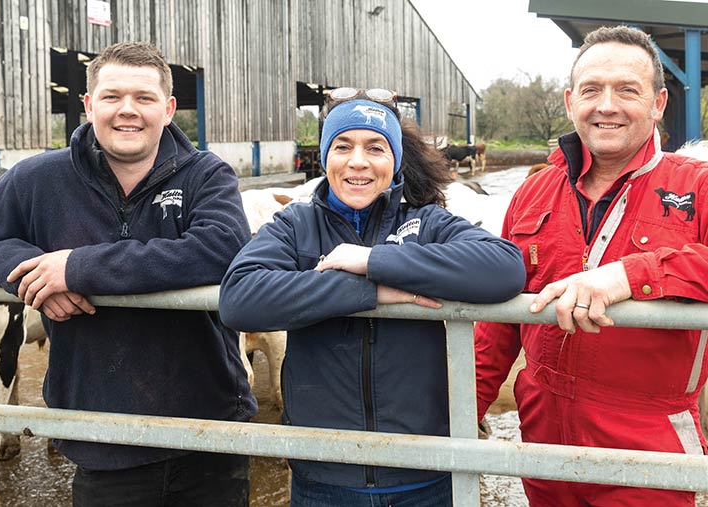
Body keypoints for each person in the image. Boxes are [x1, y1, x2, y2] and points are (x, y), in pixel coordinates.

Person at [474, 25, 708, 507]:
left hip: (646, 451)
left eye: (627, 90)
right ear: (571, 101)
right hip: (543, 446)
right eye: (592, 90)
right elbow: (497, 322)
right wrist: (462, 411)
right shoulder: (535, 192)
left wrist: (630, 275)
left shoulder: (705, 186)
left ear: (658, 104)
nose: (607, 105)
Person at [0, 41, 255, 507]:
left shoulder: (205, 176)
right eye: (111, 97)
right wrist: (31, 275)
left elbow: (221, 247)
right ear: (89, 106)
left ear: (168, 110)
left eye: (144, 98)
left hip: (205, 425)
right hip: (100, 431)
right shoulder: (40, 178)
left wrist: (76, 267)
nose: (127, 111)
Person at [219, 88, 526, 506]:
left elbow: (505, 268)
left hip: (422, 473)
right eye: (342, 146)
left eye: (375, 147)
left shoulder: (426, 221)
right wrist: (367, 291)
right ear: (325, 156)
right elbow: (239, 298)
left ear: (395, 159)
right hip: (324, 475)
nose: (358, 161)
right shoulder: (296, 224)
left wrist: (372, 260)